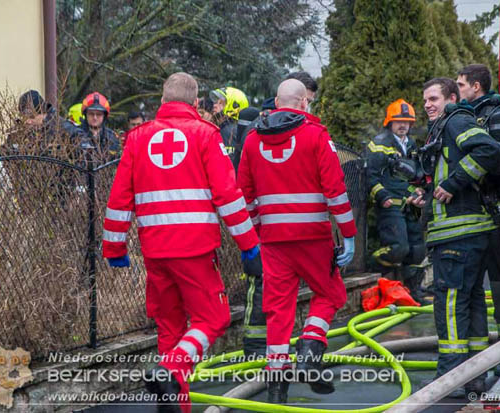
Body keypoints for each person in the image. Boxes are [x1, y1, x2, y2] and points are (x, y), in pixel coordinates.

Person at [102, 72, 260, 413]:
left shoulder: (136, 138)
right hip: (196, 250)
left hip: (155, 251)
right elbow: (228, 196)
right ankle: (171, 370)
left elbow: (119, 199)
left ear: (162, 101)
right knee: (213, 319)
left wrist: (114, 247)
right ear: (196, 102)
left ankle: (176, 404)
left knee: (170, 329)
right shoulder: (205, 134)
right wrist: (248, 242)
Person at [238, 79, 357, 403]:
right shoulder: (317, 136)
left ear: (276, 102)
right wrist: (348, 234)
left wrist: (256, 231)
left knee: (278, 310)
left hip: (273, 241)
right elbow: (336, 192)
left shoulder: (252, 141)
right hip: (313, 238)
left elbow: (244, 197)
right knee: (331, 293)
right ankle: (309, 350)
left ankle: (277, 386)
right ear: (305, 103)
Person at [417, 77, 500, 396]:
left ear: (452, 98)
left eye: (434, 98)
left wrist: (453, 184)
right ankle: (475, 373)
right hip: (469, 234)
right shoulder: (446, 128)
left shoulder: (456, 120)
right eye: (425, 99)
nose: (427, 104)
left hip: (458, 237)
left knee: (450, 304)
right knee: (473, 301)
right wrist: (427, 196)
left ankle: (450, 377)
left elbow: (487, 150)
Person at [457, 64, 500, 375]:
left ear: (475, 86)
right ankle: (487, 356)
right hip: (480, 215)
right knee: (478, 284)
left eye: (461, 85)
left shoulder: (497, 118)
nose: (458, 90)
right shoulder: (470, 118)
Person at [367, 99, 426, 303]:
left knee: (418, 249)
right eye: (398, 121)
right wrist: (382, 197)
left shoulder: (411, 144)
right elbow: (371, 176)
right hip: (391, 205)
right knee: (399, 248)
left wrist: (418, 191)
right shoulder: (379, 144)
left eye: (407, 121)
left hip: (410, 204)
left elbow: (415, 174)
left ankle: (414, 291)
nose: (403, 125)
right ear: (389, 122)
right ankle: (373, 262)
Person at [2, 90, 79, 157]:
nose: (28, 121)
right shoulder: (18, 133)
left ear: (43, 113)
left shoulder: (65, 130)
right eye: (24, 117)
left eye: (32, 117)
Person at [209, 86, 249, 169]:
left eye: (220, 103)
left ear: (234, 106)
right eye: (216, 102)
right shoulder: (221, 128)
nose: (214, 105)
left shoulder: (231, 132)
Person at [78, 92, 121, 164]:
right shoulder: (75, 134)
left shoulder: (113, 138)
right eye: (91, 114)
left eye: (99, 114)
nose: (95, 118)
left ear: (104, 116)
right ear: (85, 115)